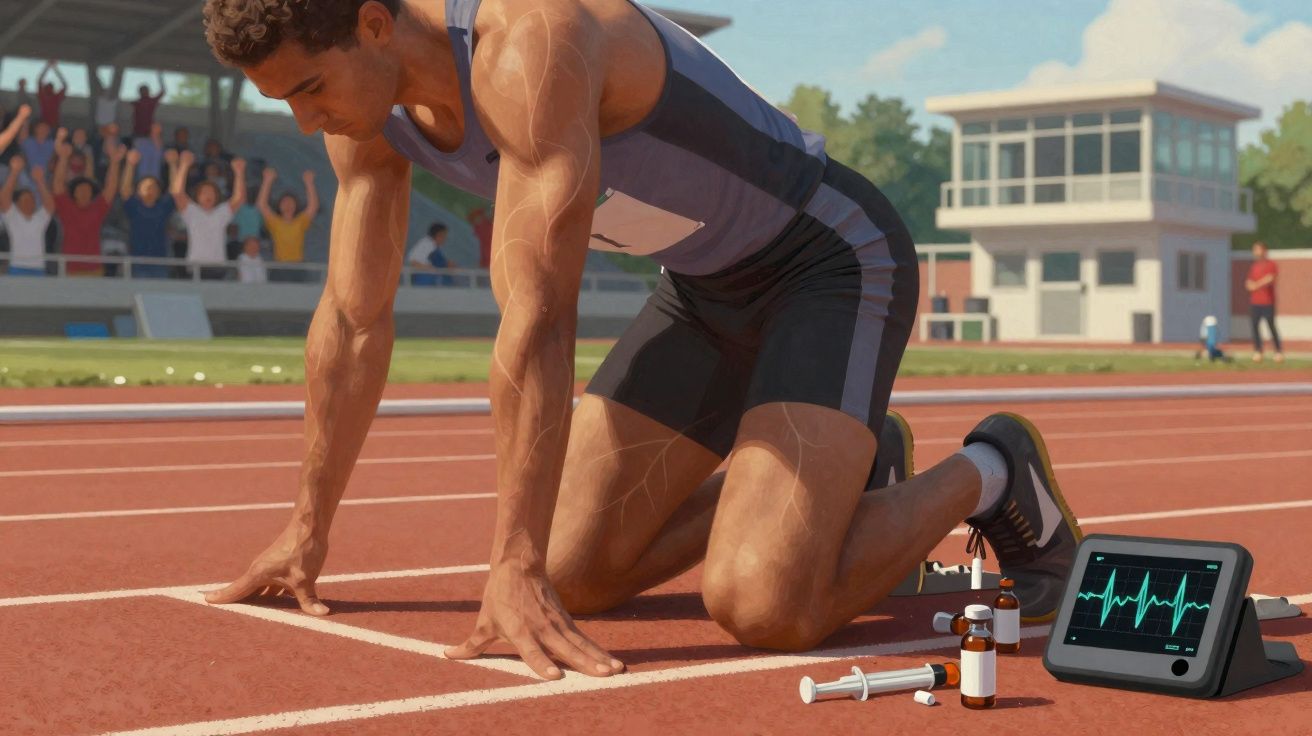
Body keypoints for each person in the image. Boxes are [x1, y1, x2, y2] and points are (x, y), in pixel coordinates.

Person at [201, 0, 1084, 682]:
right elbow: (352, 321)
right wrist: (306, 531)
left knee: (763, 606)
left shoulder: (527, 45)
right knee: (575, 572)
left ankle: (993, 470)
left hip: (827, 261)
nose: (305, 122)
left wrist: (511, 563)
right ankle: (845, 473)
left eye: (309, 89)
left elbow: (538, 319)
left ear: (373, 23)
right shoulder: (366, 118)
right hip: (702, 292)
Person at [167, 148, 247, 280]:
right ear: (197, 197)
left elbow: (239, 198)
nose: (208, 195)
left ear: (217, 197)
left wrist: (239, 172)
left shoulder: (222, 212)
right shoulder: (192, 211)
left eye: (212, 192)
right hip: (196, 267)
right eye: (204, 192)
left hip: (218, 267)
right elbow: (177, 193)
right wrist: (184, 166)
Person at [53, 131, 125, 276]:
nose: (84, 193)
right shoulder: (67, 208)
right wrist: (63, 158)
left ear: (92, 194)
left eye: (87, 190)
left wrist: (114, 162)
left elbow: (110, 188)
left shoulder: (97, 209)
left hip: (94, 269)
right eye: (80, 190)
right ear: (73, 193)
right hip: (70, 269)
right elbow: (58, 186)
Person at [119, 148, 178, 279]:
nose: (150, 188)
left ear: (159, 191)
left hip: (160, 261)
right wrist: (130, 165)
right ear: (138, 191)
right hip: (137, 260)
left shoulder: (163, 207)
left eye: (153, 186)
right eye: (145, 186)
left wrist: (173, 165)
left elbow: (175, 191)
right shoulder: (134, 207)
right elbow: (125, 190)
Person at [256, 167, 319, 281]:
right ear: (279, 206)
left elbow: (313, 206)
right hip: (279, 267)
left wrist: (309, 183)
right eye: (284, 202)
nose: (288, 205)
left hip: (298, 266)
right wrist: (267, 181)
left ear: (296, 206)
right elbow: (262, 205)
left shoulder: (301, 221)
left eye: (291, 202)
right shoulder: (275, 222)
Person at [0, 157, 55, 276]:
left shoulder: (40, 218)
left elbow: (50, 206)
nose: (29, 203)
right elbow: (4, 199)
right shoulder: (12, 217)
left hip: (38, 268)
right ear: (17, 203)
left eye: (31, 200)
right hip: (17, 267)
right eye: (25, 200)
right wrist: (14, 173)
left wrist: (40, 181)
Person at [1245, 241, 1283, 363]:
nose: (1256, 252)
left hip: (1268, 302)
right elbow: (1249, 281)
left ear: (1264, 250)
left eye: (1258, 249)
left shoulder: (1271, 264)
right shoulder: (1254, 266)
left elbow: (1270, 278)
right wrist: (1249, 285)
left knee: (1271, 325)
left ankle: (1278, 351)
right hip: (1255, 302)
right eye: (1254, 249)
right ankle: (1258, 351)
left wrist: (1256, 285)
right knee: (1254, 325)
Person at [131, 72, 168, 139]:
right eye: (142, 90)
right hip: (138, 130)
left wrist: (160, 77)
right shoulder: (136, 103)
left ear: (148, 91)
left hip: (148, 131)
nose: (144, 92)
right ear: (139, 92)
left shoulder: (151, 101)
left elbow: (163, 92)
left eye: (145, 90)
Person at [36, 61, 68, 128]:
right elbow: (65, 85)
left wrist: (52, 67)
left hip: (54, 125)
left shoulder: (55, 97)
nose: (49, 89)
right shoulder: (44, 97)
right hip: (45, 124)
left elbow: (65, 85)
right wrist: (51, 67)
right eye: (47, 87)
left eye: (50, 87)